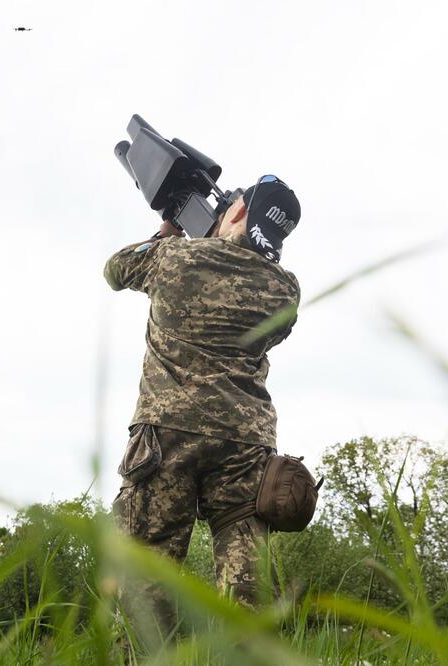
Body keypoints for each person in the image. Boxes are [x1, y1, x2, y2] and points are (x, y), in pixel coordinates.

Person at [104, 176, 302, 640]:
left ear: (235, 213)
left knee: (147, 565)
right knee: (247, 575)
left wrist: (171, 229)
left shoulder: (173, 258)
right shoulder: (285, 291)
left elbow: (116, 269)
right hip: (246, 444)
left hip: (166, 436)